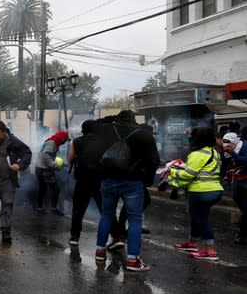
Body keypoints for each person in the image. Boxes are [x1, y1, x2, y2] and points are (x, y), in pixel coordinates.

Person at [94, 110, 160, 272]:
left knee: (106, 215)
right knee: (135, 220)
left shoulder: (105, 131)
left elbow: (96, 123)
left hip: (108, 180)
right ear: (134, 120)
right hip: (133, 182)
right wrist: (148, 180)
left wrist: (113, 120)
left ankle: (99, 252)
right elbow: (154, 161)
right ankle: (132, 260)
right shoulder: (144, 135)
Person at [170, 127, 224, 260]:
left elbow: (188, 174)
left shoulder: (196, 154)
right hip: (215, 190)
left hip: (200, 191)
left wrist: (172, 170)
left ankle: (210, 251)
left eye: (191, 136)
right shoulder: (214, 152)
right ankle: (192, 243)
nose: (189, 138)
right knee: (196, 217)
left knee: (202, 219)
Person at [68, 120, 104, 246]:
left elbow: (70, 158)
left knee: (78, 209)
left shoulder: (77, 141)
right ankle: (115, 235)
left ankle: (74, 237)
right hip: (99, 179)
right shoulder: (103, 141)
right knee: (105, 209)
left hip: (82, 180)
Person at [35, 130, 69, 215]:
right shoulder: (52, 143)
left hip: (39, 168)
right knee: (56, 189)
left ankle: (40, 208)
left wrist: (61, 163)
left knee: (42, 189)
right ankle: (53, 209)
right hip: (45, 170)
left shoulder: (50, 141)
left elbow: (50, 155)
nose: (64, 142)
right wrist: (55, 165)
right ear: (61, 139)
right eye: (64, 140)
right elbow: (46, 156)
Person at [223, 132, 247, 245]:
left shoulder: (245, 146)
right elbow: (230, 162)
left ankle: (242, 235)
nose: (225, 145)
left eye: (228, 142)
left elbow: (244, 160)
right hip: (238, 178)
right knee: (236, 197)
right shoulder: (230, 149)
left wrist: (232, 153)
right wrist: (227, 175)